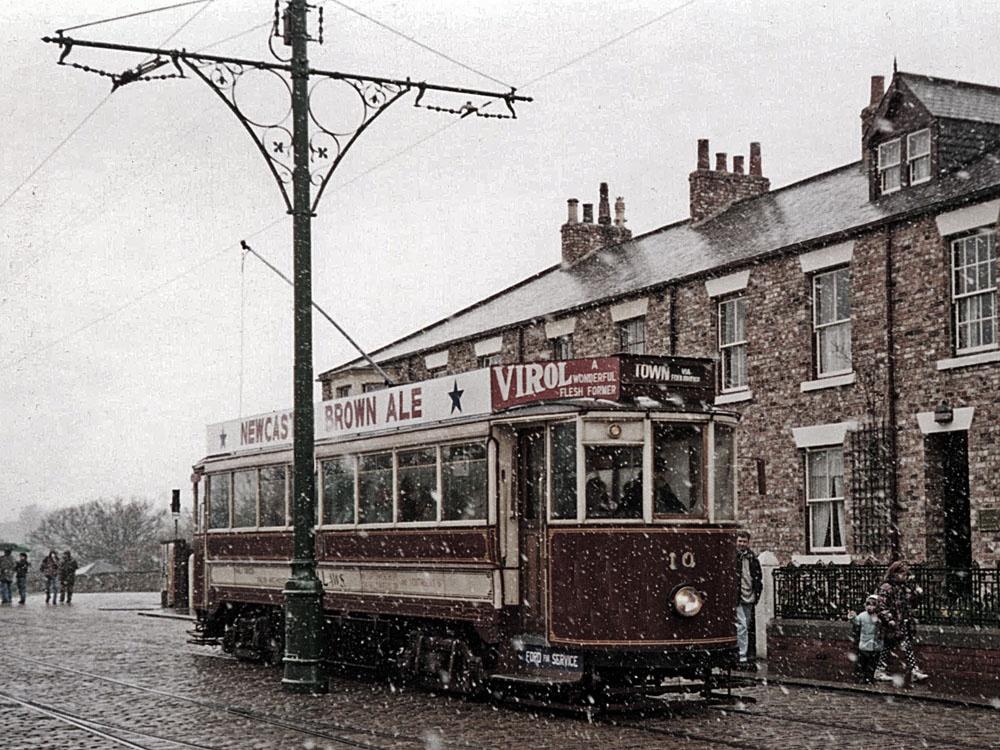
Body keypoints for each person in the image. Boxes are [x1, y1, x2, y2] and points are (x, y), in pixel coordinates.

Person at [875, 560, 928, 682]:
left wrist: (917, 594)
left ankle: (914, 670)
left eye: (906, 574)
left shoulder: (903, 587)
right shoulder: (886, 587)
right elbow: (881, 606)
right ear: (894, 573)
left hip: (902, 622)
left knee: (906, 646)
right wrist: (889, 619)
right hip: (892, 624)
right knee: (888, 647)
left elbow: (910, 603)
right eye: (902, 574)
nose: (905, 576)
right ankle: (880, 670)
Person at [735, 529, 763, 670]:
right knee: (742, 626)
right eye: (740, 541)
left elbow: (758, 576)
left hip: (749, 596)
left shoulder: (752, 558)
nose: (742, 544)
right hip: (737, 597)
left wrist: (757, 591)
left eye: (744, 541)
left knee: (745, 625)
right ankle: (742, 655)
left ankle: (741, 652)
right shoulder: (733, 558)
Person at [850, 594, 884, 684]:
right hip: (864, 644)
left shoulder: (880, 616)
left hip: (876, 644)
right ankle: (862, 677)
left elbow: (882, 625)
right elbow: (857, 622)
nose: (870, 607)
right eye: (868, 604)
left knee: (872, 663)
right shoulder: (863, 615)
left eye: (873, 605)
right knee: (862, 662)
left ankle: (869, 677)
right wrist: (852, 617)